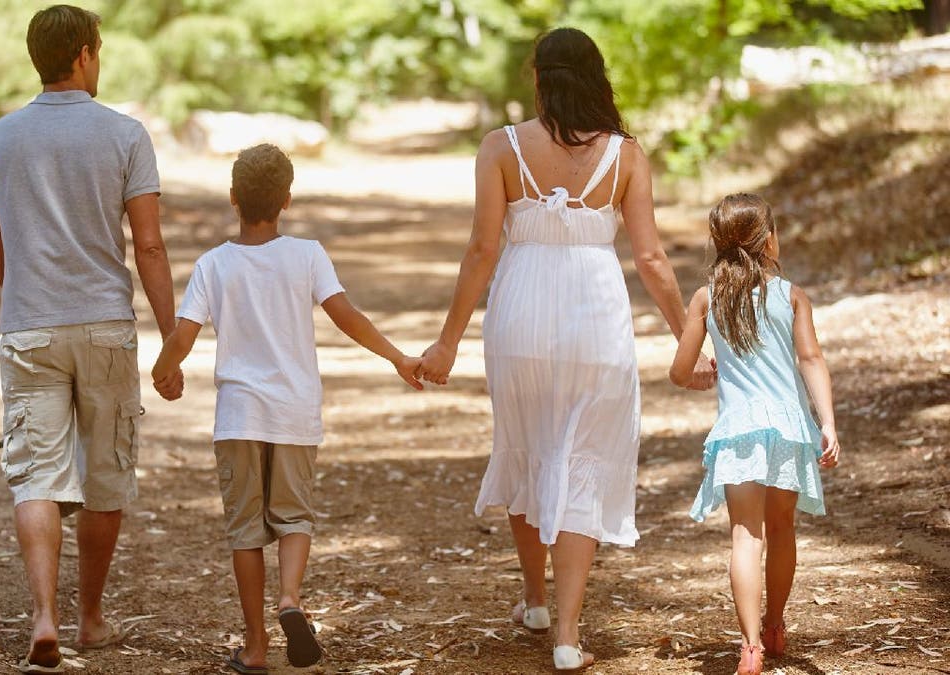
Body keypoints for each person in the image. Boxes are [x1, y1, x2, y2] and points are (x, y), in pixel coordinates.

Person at [416, 27, 716, 671]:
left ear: (539, 77)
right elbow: (653, 260)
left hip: (521, 314)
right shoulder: (627, 156)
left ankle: (534, 599)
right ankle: (568, 635)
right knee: (581, 457)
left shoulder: (501, 147)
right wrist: (688, 340)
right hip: (594, 317)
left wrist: (446, 342)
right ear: (596, 76)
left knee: (529, 445)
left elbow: (482, 250)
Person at [151, 144, 423, 674]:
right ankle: (291, 599)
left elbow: (183, 334)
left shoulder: (214, 264)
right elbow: (347, 316)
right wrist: (397, 356)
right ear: (287, 201)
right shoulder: (308, 254)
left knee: (246, 531)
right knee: (295, 516)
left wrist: (164, 370)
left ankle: (255, 647)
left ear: (233, 199)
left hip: (239, 416)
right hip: (295, 412)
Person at [0, 6, 180, 673]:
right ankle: (90, 616)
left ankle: (43, 615)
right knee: (105, 476)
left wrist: (27, 289)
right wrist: (173, 335)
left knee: (35, 473)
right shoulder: (124, 135)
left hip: (29, 325)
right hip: (104, 328)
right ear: (86, 54)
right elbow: (148, 244)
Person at [669, 193, 840, 675]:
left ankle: (749, 648)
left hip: (739, 432)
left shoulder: (706, 297)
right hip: (787, 429)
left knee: (746, 536)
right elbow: (811, 359)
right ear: (769, 240)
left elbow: (680, 372)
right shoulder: (791, 295)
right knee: (782, 529)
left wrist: (707, 373)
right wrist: (826, 421)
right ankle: (776, 624)